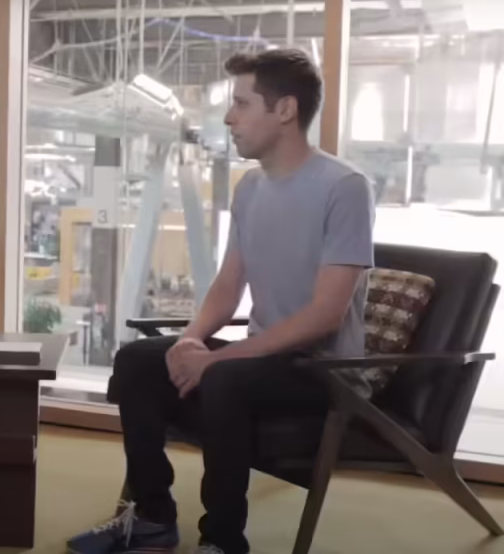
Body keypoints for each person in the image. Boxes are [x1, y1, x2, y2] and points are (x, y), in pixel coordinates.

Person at [66, 48, 376, 554]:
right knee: (138, 359)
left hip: (324, 371)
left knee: (224, 377)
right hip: (262, 357)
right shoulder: (250, 187)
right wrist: (189, 341)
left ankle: (223, 541)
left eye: (242, 103)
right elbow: (229, 286)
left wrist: (216, 360)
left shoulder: (344, 188)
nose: (229, 118)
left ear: (285, 110)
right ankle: (152, 517)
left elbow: (325, 316)